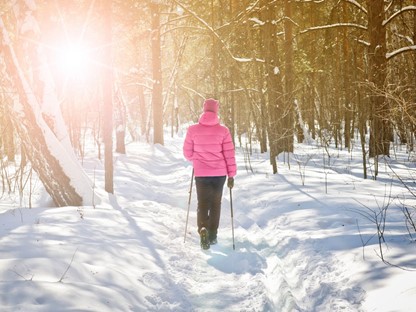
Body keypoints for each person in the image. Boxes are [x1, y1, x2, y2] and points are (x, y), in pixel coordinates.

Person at [183, 98, 237, 250]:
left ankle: (202, 230)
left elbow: (187, 153)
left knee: (203, 203)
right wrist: (231, 175)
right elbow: (229, 154)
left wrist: (197, 158)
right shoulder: (223, 130)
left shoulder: (192, 130)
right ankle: (212, 235)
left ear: (204, 109)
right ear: (216, 110)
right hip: (219, 174)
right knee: (215, 204)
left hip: (201, 173)